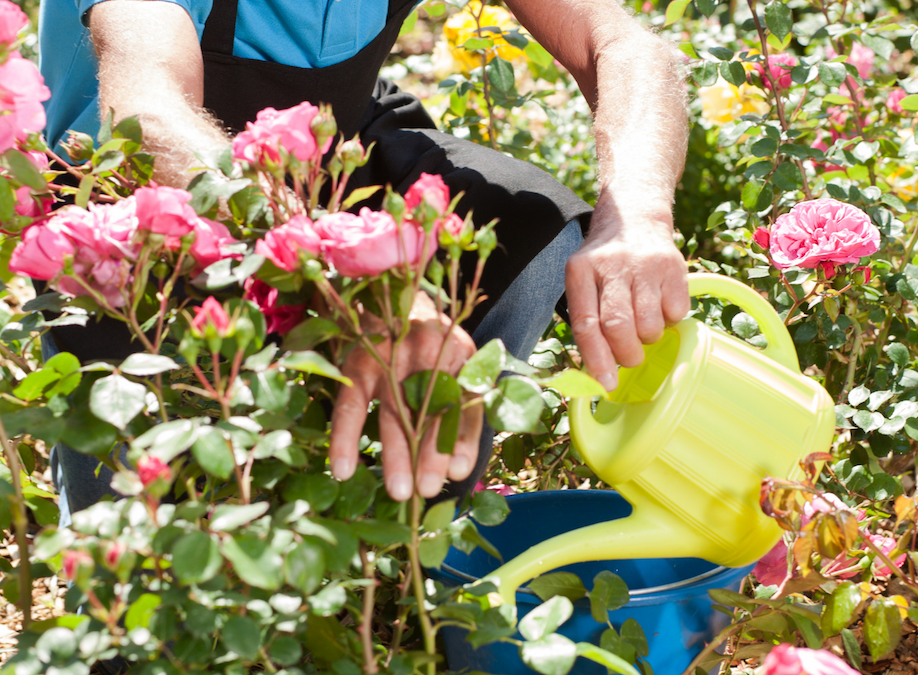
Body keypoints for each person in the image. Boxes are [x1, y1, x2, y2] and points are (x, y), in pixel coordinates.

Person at [39, 0, 690, 518]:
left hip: (327, 160)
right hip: (147, 216)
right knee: (152, 584)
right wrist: (353, 273)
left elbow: (624, 45)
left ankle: (416, 522)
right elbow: (151, 121)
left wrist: (635, 216)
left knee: (533, 233)